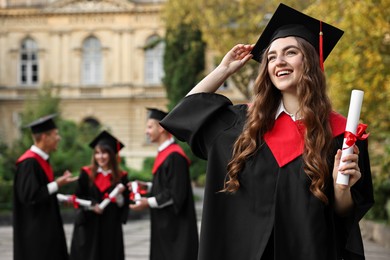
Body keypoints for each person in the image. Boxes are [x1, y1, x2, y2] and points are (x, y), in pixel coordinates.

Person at [160, 3, 374, 260]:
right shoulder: (242, 124)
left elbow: (344, 216)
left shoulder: (342, 134)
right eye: (271, 56)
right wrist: (224, 70)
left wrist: (342, 189)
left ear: (311, 60)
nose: (279, 61)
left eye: (290, 52)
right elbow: (187, 112)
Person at [129, 108, 198, 260]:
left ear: (161, 128)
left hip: (175, 227)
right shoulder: (165, 153)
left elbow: (176, 194)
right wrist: (146, 186)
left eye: (149, 127)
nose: (146, 132)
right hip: (165, 224)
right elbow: (166, 185)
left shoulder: (174, 156)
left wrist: (147, 202)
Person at [13, 114, 78, 260]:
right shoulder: (29, 163)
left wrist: (60, 197)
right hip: (36, 234)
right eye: (55, 134)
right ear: (44, 137)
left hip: (46, 229)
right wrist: (57, 184)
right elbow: (30, 196)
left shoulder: (41, 160)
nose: (58, 138)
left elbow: (42, 191)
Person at [70, 130, 130, 260]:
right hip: (89, 225)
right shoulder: (86, 173)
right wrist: (92, 206)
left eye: (104, 153)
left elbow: (124, 203)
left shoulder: (121, 176)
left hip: (110, 226)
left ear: (112, 154)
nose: (100, 157)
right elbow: (78, 198)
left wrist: (119, 197)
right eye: (97, 153)